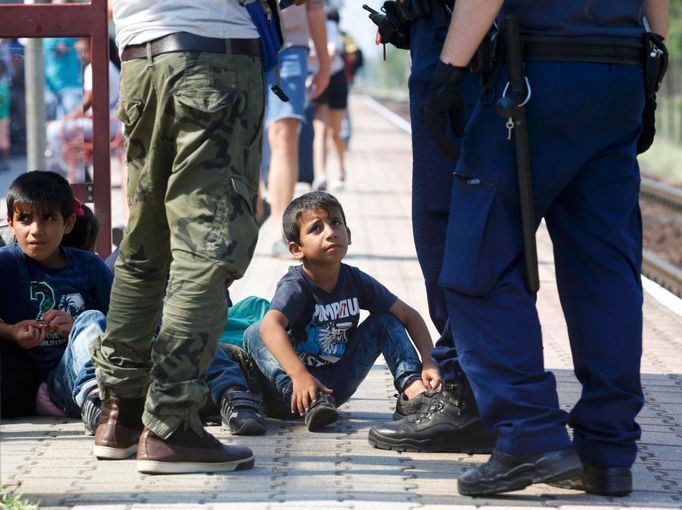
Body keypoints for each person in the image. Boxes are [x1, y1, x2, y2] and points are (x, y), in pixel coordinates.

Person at [420, 0, 668, 497]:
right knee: (606, 273)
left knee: (476, 264)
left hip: (534, 74)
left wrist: (449, 72)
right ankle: (608, 451)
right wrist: (654, 51)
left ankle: (529, 432)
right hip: (622, 66)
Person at [89, 0, 281, 475]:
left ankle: (122, 413)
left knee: (144, 242)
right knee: (209, 247)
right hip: (213, 55)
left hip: (139, 58)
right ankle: (172, 424)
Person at [367, 0, 495, 455]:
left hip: (455, 41)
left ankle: (465, 395)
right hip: (468, 37)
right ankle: (486, 388)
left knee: (445, 224)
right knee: (487, 222)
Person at [242, 191, 442, 431]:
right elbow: (270, 326)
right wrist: (298, 375)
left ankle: (415, 395)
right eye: (316, 229)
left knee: (386, 321)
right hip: (291, 392)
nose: (330, 232)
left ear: (348, 234)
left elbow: (409, 315)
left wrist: (430, 361)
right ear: (296, 249)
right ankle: (312, 399)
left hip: (336, 386)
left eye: (336, 222)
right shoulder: (295, 286)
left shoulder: (355, 279)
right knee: (255, 331)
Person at [0, 171, 113, 420]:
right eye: (25, 219)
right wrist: (12, 331)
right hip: (52, 383)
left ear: (69, 223)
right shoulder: (6, 263)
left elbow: (121, 321)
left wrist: (77, 327)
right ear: (10, 223)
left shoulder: (89, 267)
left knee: (92, 317)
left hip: (95, 373)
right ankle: (95, 402)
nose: (36, 230)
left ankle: (98, 399)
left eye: (48, 218)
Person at [265, 0, 330, 258]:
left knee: (284, 137)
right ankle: (256, 207)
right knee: (242, 135)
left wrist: (324, 62)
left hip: (289, 46)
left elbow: (314, 6)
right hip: (237, 40)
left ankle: (280, 233)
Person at [45, 37, 121, 182]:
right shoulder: (109, 64)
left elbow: (86, 102)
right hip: (112, 123)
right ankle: (81, 173)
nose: (82, 55)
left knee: (53, 130)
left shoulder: (95, 66)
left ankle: (77, 175)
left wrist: (65, 120)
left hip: (108, 125)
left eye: (85, 51)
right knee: (62, 128)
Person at [311, 9, 348, 192]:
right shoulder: (298, 24)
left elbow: (332, 53)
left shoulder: (330, 25)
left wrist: (306, 55)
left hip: (335, 78)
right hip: (316, 77)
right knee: (320, 129)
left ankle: (341, 169)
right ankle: (321, 176)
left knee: (335, 131)